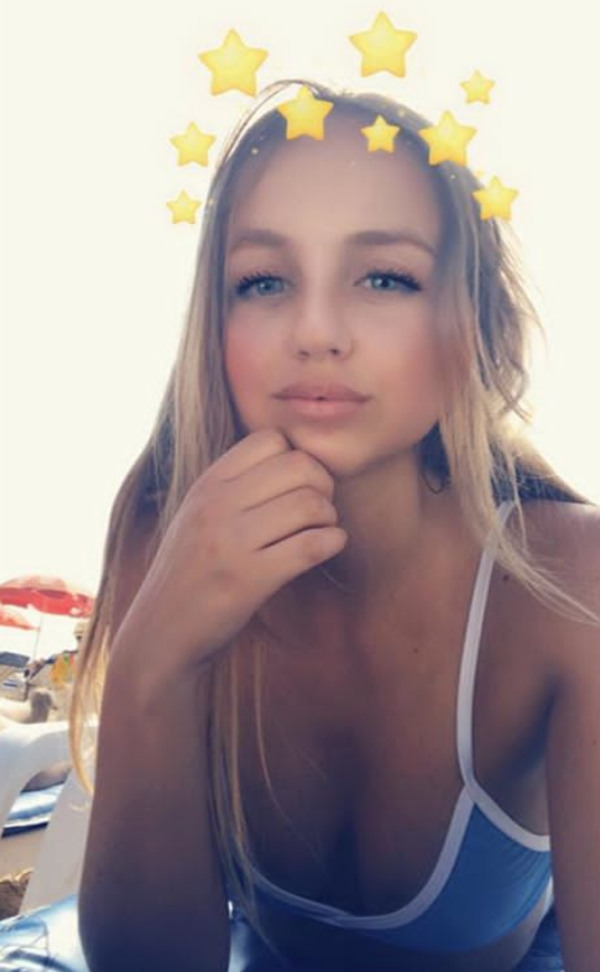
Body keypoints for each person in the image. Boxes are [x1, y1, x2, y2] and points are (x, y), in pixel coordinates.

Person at [71, 80, 599, 972]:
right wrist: (150, 668)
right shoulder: (159, 542)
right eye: (264, 281)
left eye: (385, 277)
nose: (316, 332)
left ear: (476, 326)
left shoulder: (567, 585)